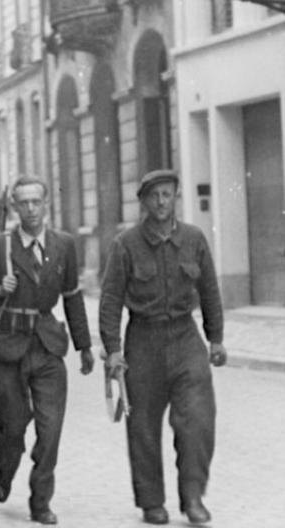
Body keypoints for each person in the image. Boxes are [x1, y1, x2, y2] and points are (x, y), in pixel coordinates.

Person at [98, 169, 225, 526]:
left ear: (175, 198)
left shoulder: (194, 239)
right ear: (143, 202)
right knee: (143, 428)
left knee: (197, 421)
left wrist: (216, 338)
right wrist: (113, 351)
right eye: (154, 196)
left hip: (186, 339)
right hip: (143, 341)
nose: (161, 202)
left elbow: (210, 293)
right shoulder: (126, 245)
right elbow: (110, 301)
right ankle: (152, 501)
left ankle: (194, 496)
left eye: (167, 194)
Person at [0, 176, 94, 525]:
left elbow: (72, 296)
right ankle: (5, 469)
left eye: (36, 201)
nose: (31, 209)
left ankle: (41, 501)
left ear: (46, 203)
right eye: (23, 203)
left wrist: (84, 345)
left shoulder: (64, 244)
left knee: (50, 429)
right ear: (14, 207)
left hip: (48, 346)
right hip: (8, 347)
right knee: (12, 427)